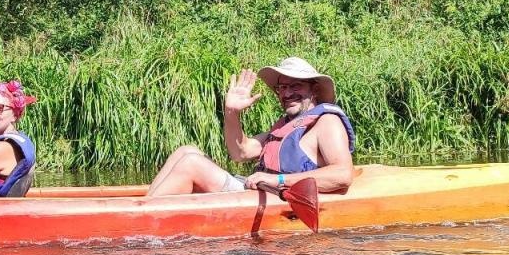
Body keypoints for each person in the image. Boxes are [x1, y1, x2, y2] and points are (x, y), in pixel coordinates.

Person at [145, 57, 355, 197]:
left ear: (315, 90)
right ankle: (139, 209)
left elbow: (342, 175)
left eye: (295, 86)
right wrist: (232, 112)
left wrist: (278, 179)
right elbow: (240, 152)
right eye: (282, 87)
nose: (287, 93)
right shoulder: (286, 125)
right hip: (259, 191)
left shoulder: (327, 122)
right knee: (186, 151)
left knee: (191, 163)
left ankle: (138, 217)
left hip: (276, 197)